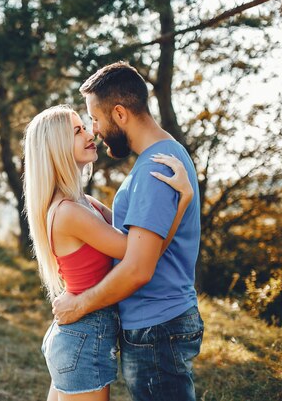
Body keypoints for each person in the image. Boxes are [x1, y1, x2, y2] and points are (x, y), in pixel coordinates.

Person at [51, 62, 203, 401]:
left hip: (157, 326)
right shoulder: (164, 155)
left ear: (119, 113)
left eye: (95, 118)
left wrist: (79, 306)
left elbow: (137, 268)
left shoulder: (154, 169)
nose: (94, 130)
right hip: (158, 324)